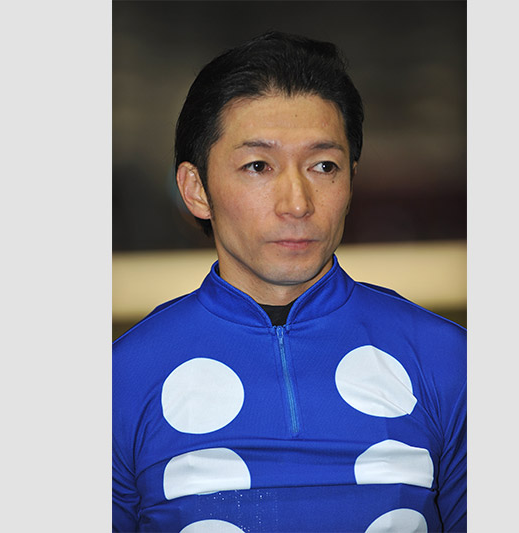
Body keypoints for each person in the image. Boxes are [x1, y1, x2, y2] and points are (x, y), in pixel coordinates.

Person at [113, 31, 466, 532]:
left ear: (351, 181)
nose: (297, 203)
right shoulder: (121, 379)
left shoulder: (448, 361)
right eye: (258, 166)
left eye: (323, 166)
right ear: (196, 189)